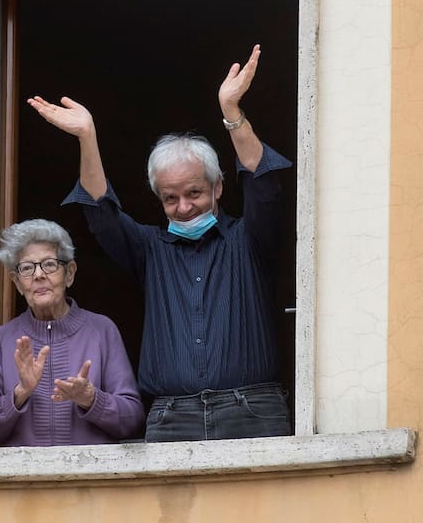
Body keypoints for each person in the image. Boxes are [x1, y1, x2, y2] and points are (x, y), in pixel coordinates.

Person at [27, 44, 293, 443]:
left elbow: (262, 183)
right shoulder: (150, 249)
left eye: (194, 193)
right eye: (170, 198)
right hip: (173, 417)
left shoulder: (249, 238)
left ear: (218, 187)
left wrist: (232, 113)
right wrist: (87, 136)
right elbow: (102, 213)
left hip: (252, 410)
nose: (183, 207)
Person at [0, 218, 144, 446]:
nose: (38, 275)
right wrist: (21, 392)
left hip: (89, 468)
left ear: (69, 273)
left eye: (49, 264)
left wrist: (91, 399)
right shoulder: (0, 340)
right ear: (17, 283)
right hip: (23, 470)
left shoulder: (102, 330)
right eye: (27, 268)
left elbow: (132, 419)